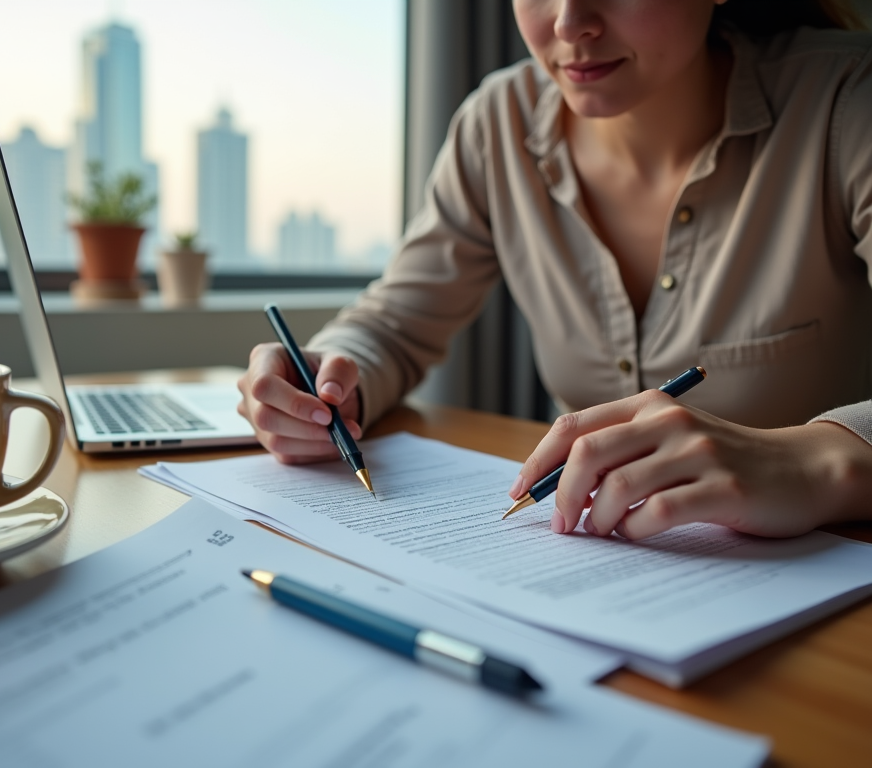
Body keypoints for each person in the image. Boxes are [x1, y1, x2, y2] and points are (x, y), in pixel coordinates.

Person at [238, 0, 872, 541]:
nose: (569, 24)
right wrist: (328, 378)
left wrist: (818, 462)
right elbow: (398, 320)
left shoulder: (849, 102)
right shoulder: (498, 122)